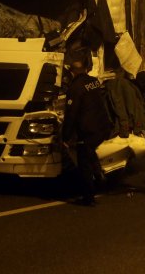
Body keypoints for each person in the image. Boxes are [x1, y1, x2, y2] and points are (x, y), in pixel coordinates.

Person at [62, 49, 113, 206]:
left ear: (72, 72)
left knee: (83, 161)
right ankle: (99, 176)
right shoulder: (94, 82)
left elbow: (71, 114)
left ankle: (89, 198)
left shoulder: (75, 88)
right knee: (91, 153)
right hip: (103, 126)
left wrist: (65, 137)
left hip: (88, 130)